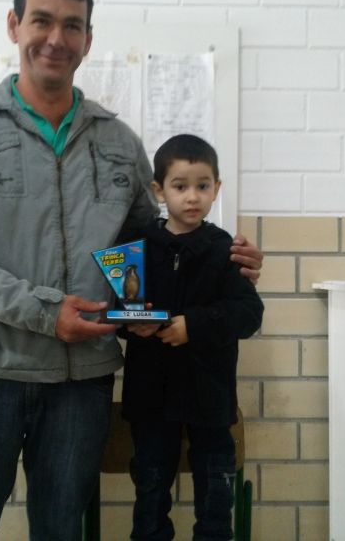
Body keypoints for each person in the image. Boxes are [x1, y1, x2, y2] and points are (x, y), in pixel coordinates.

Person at [0, 0, 264, 540]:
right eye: (42, 21)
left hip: (82, 384)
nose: (56, 38)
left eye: (72, 26)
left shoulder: (118, 143)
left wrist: (225, 263)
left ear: (88, 39)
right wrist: (46, 312)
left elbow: (153, 248)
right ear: (14, 25)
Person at [120, 134, 264, 541]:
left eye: (202, 186)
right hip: (151, 396)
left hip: (210, 398)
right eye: (180, 186)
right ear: (159, 190)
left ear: (217, 189)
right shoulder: (136, 249)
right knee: (150, 497)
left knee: (216, 505)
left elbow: (248, 315)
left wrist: (193, 326)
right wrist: (131, 323)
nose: (192, 197)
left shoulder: (226, 250)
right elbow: (119, 307)